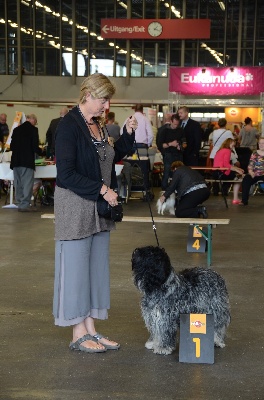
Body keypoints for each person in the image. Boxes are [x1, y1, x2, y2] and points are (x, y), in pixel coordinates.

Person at [53, 73, 137, 353]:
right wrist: (102, 190)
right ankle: (78, 332)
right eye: (104, 99)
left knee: (94, 271)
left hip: (99, 210)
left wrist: (127, 134)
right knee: (76, 272)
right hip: (76, 208)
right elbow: (65, 174)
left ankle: (91, 329)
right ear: (88, 95)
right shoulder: (69, 127)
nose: (107, 104)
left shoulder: (99, 126)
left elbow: (109, 159)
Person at [10, 114, 43, 212]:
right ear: (32, 120)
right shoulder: (33, 130)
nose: (35, 124)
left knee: (18, 182)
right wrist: (42, 152)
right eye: (35, 122)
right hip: (27, 161)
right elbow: (34, 147)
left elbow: (12, 146)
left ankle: (20, 202)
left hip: (15, 161)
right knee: (27, 183)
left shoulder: (16, 130)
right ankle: (24, 205)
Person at [213, 138, 244, 204]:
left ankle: (235, 198)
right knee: (239, 177)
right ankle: (235, 198)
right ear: (229, 144)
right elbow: (226, 165)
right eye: (232, 145)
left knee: (236, 175)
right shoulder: (227, 151)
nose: (233, 146)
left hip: (216, 173)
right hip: (221, 173)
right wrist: (237, 169)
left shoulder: (220, 150)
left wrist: (237, 169)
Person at [159, 113, 186, 190]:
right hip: (168, 154)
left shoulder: (181, 130)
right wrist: (171, 144)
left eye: (177, 124)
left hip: (178, 154)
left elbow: (184, 143)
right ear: (170, 121)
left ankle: (179, 188)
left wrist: (180, 146)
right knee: (167, 172)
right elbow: (161, 145)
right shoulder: (164, 131)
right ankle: (164, 190)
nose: (175, 126)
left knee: (180, 172)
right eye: (174, 124)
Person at [240, 136, 264, 206]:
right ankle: (244, 201)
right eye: (260, 143)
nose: (261, 145)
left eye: (263, 143)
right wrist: (250, 171)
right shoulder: (254, 153)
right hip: (255, 173)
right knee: (246, 179)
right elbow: (251, 164)